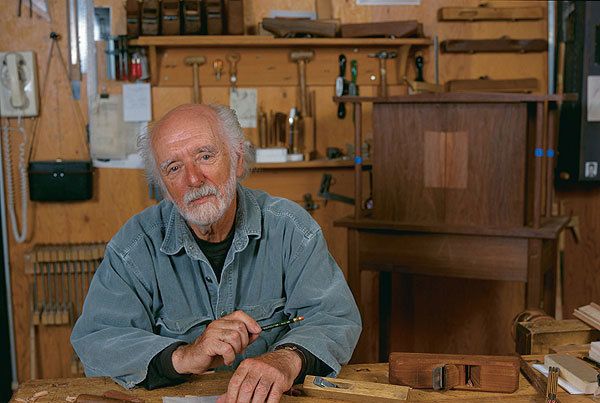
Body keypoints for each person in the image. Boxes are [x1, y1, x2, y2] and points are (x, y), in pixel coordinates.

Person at [70, 104, 362, 402]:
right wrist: (184, 356)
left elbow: (334, 318)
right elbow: (98, 338)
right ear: (164, 187)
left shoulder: (291, 229)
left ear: (237, 158)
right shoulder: (135, 246)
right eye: (174, 168)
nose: (193, 179)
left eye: (205, 156)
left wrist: (285, 360)